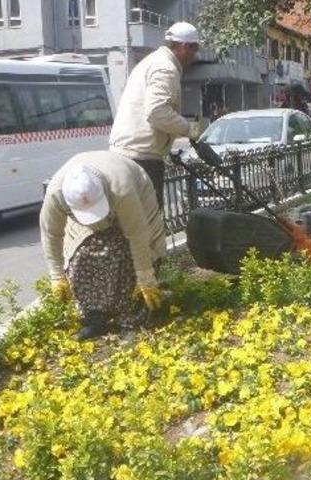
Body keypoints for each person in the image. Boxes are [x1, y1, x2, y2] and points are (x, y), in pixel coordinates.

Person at [41, 151, 166, 341]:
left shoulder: (121, 188)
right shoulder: (55, 195)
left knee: (125, 256)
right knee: (81, 257)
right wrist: (57, 276)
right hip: (87, 212)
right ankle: (95, 318)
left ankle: (131, 319)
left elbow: (137, 234)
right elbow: (51, 234)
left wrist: (145, 276)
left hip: (135, 198)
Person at [109, 21, 204, 207]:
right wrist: (191, 130)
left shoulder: (151, 61)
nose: (195, 55)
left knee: (131, 220)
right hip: (141, 158)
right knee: (149, 220)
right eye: (195, 49)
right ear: (185, 46)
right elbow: (157, 112)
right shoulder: (165, 68)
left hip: (127, 154)